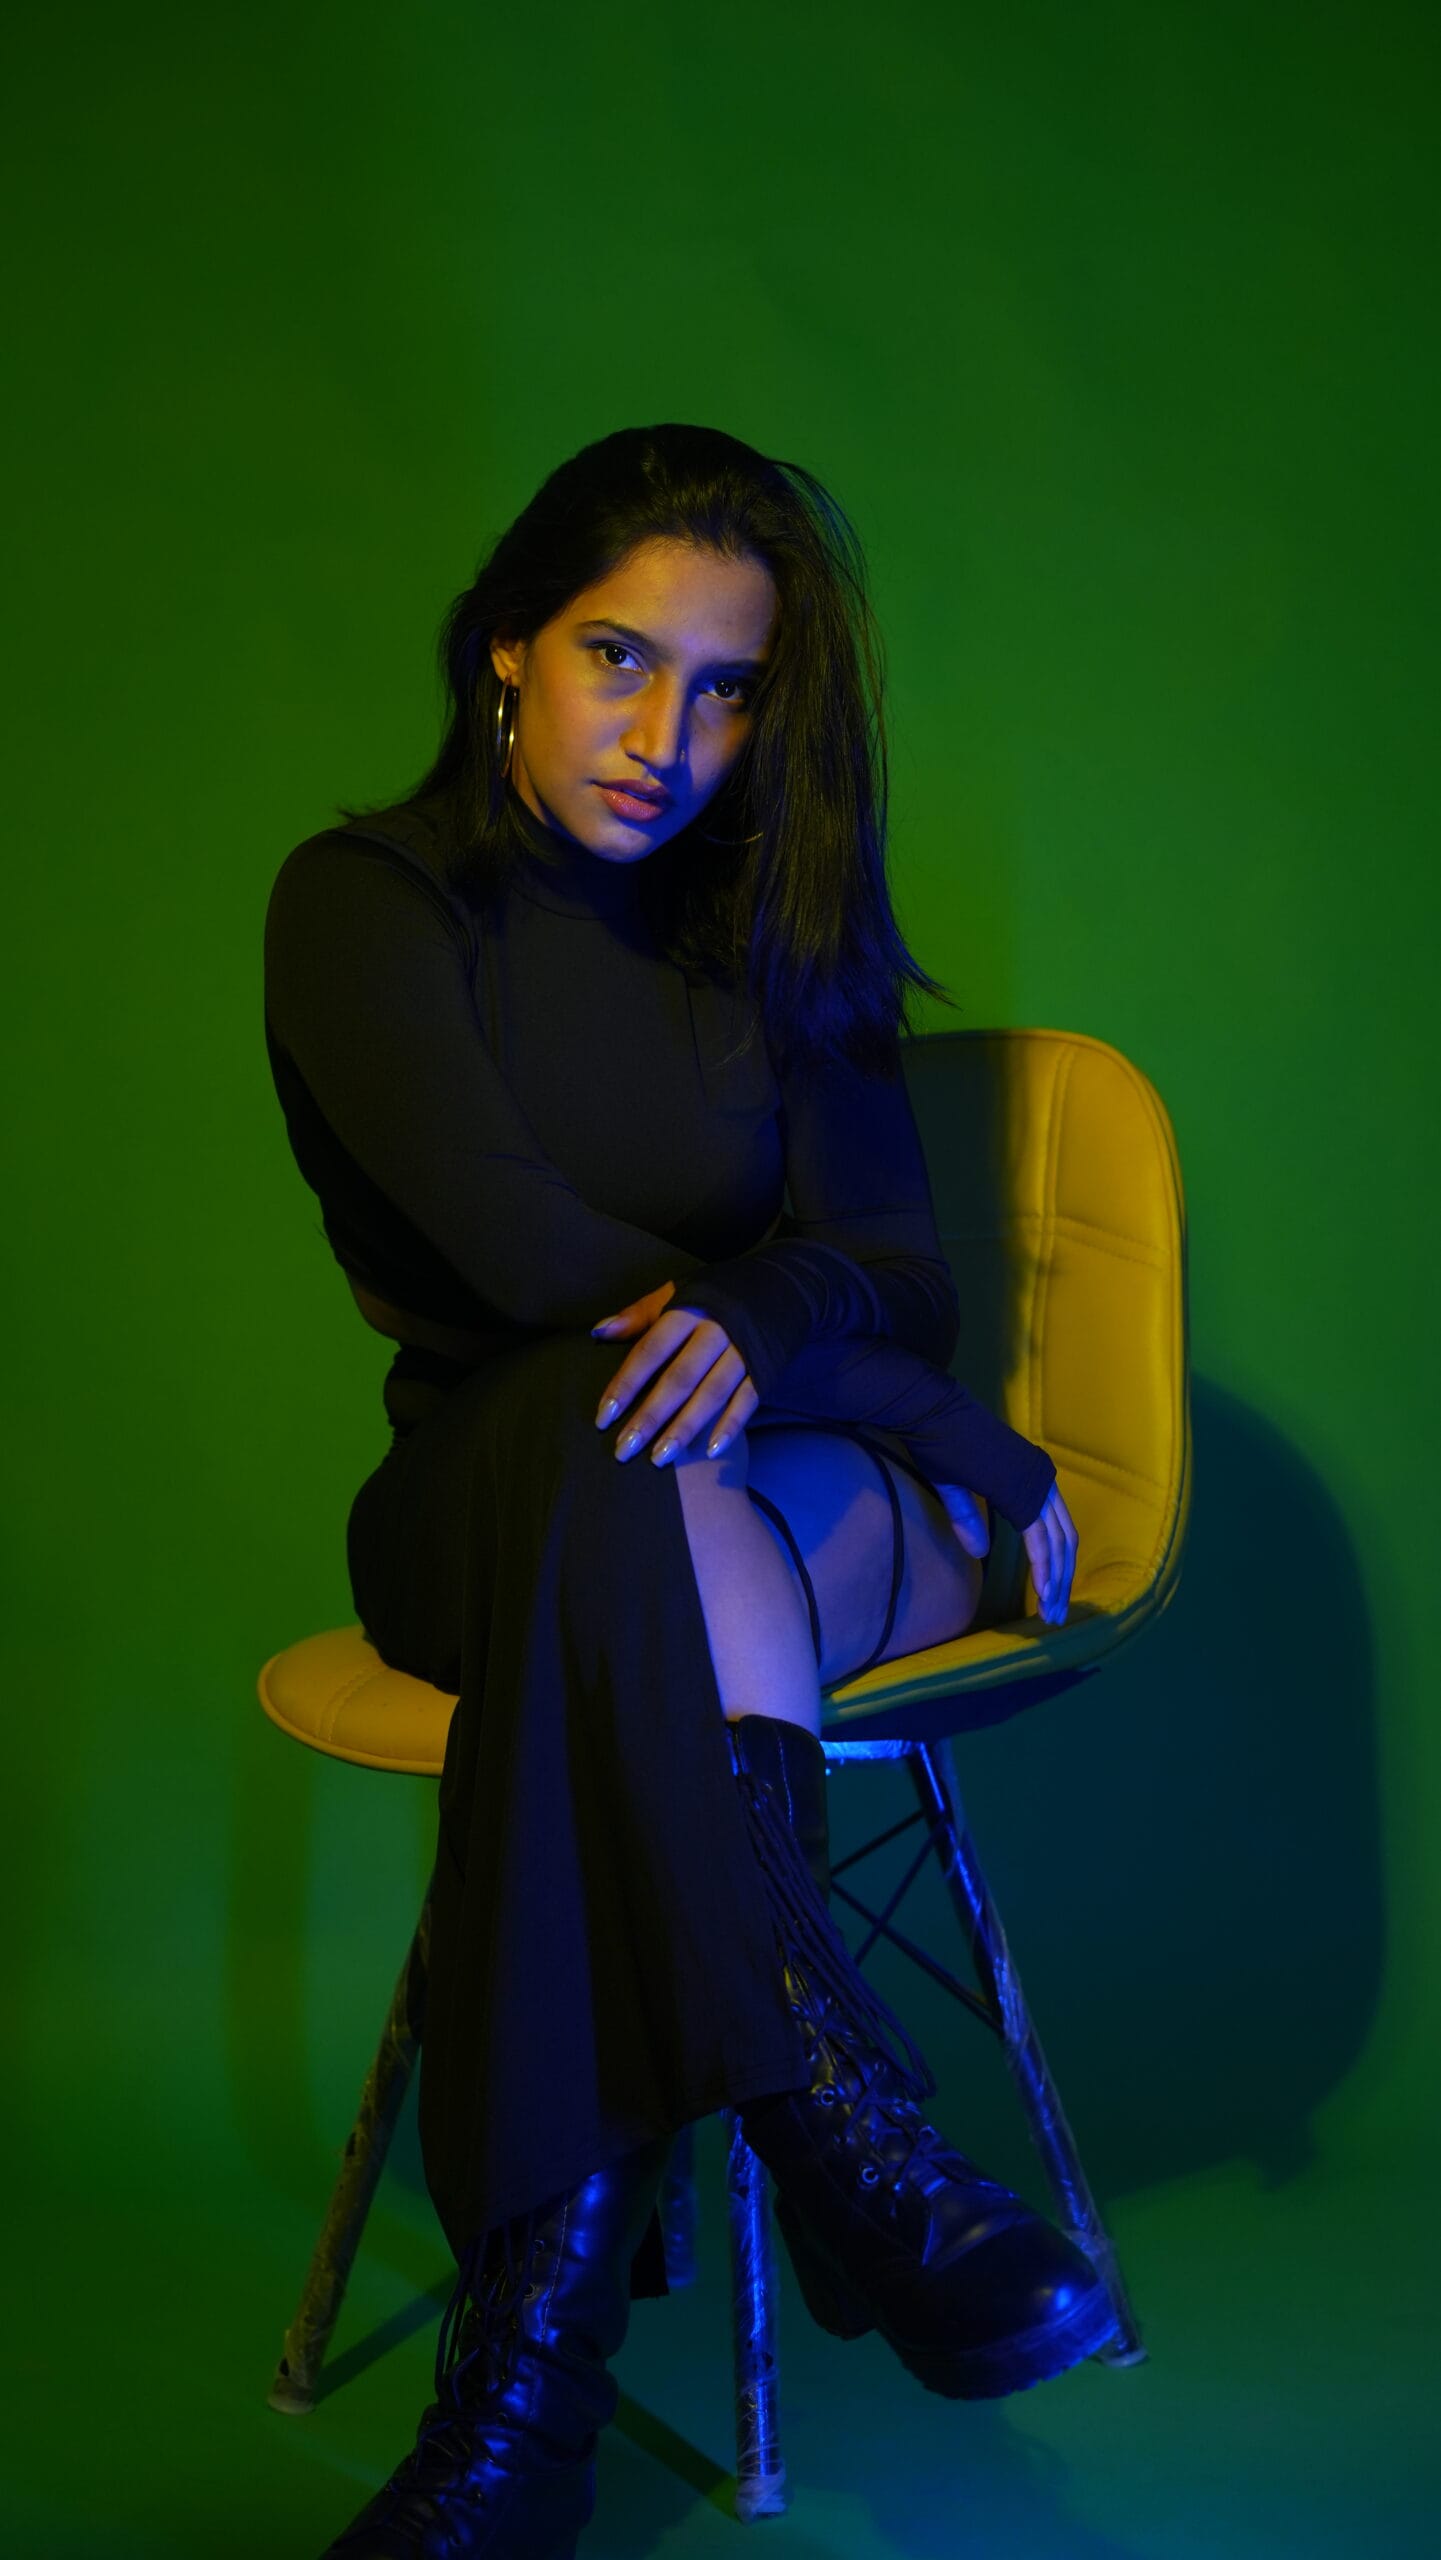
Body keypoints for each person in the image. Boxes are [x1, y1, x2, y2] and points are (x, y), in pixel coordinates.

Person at [262, 423, 1110, 2560]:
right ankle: (835, 2115)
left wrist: (784, 1322)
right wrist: (924, 1413)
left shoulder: (770, 926)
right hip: (485, 1501)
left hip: (743, 1515)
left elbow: (899, 1271)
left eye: (725, 690)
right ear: (507, 648)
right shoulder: (368, 906)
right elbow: (522, 1260)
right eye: (619, 658)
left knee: (650, 1501)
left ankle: (517, 2419)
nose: (666, 735)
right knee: (607, 1437)